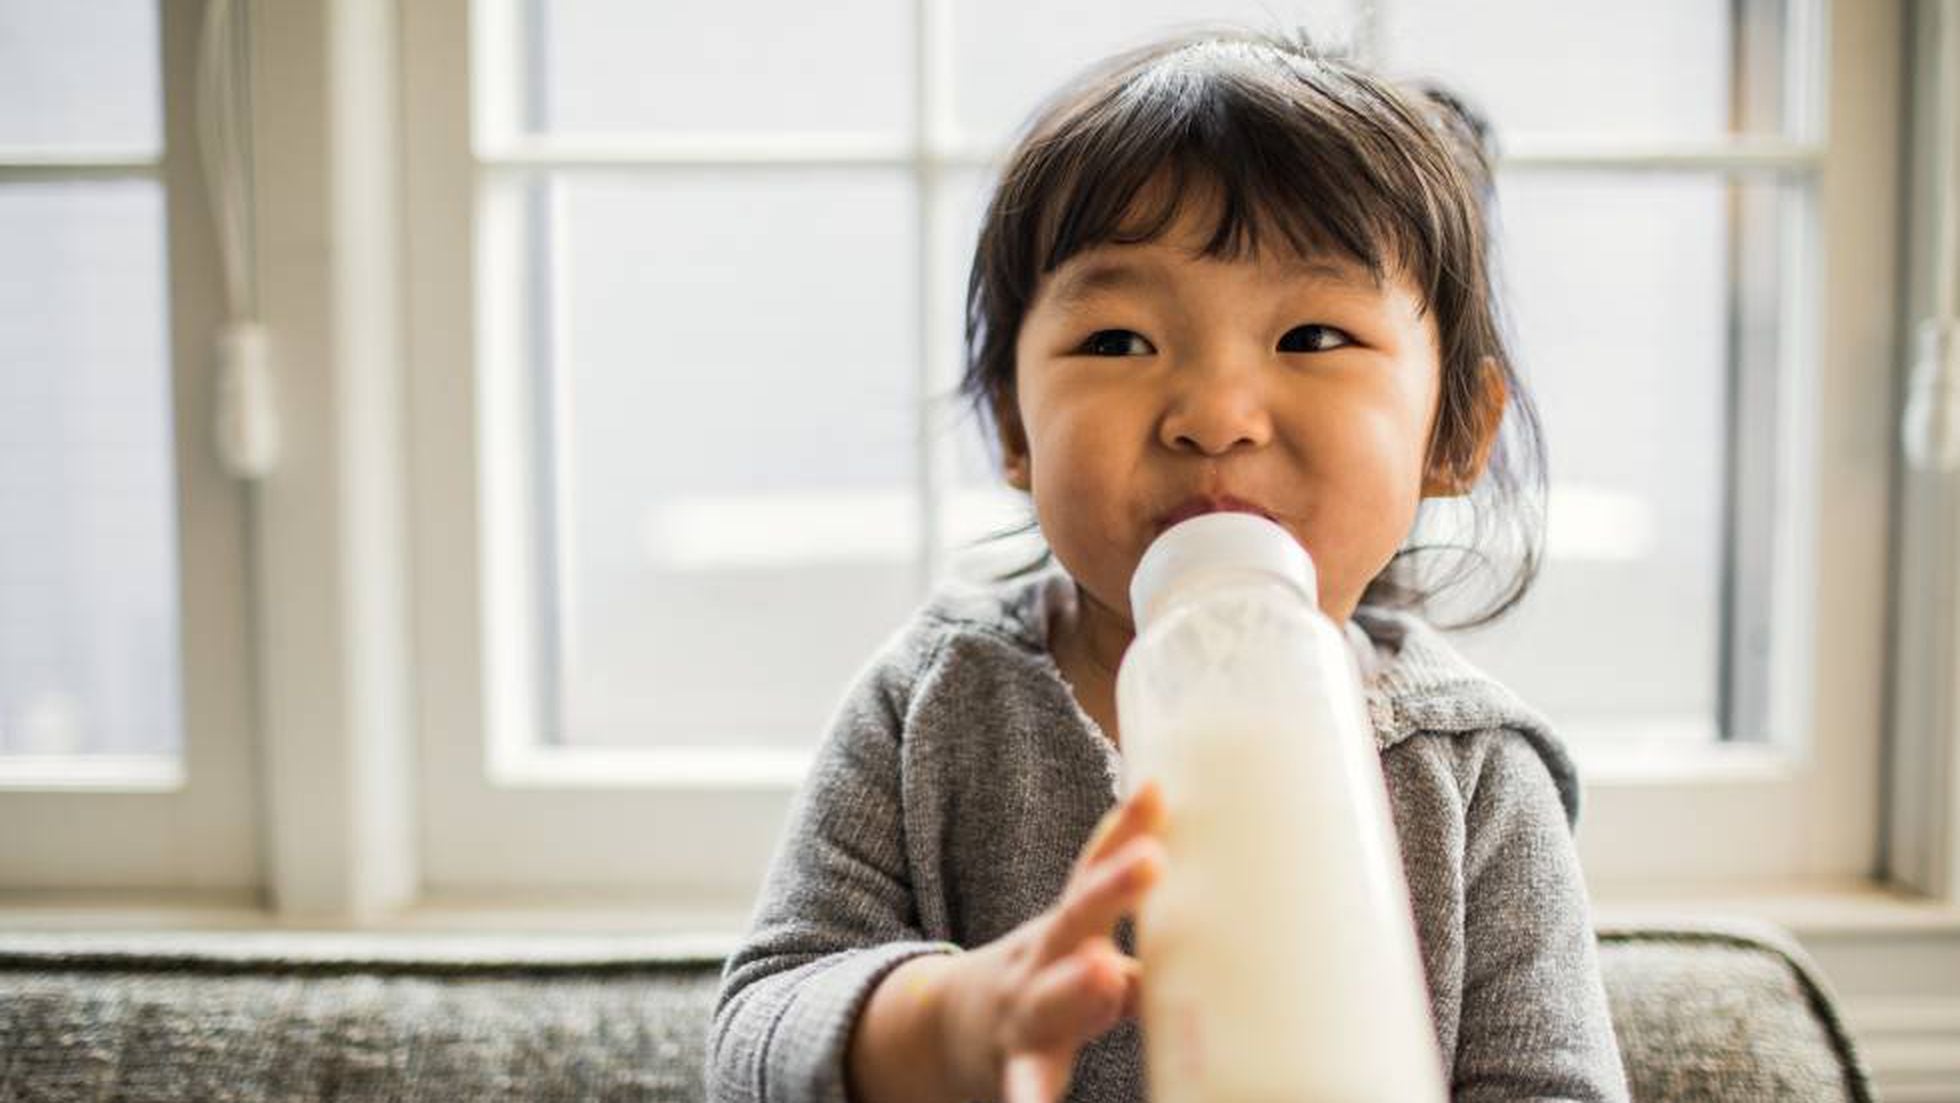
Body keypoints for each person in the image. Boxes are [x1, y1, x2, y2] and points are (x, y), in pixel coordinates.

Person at [705, 25, 1630, 1103]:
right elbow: (756, 1036)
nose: (1213, 416)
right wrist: (959, 1018)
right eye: (1117, 342)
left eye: (1313, 338)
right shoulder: (936, 703)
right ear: (1015, 428)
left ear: (1455, 432)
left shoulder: (1469, 769)